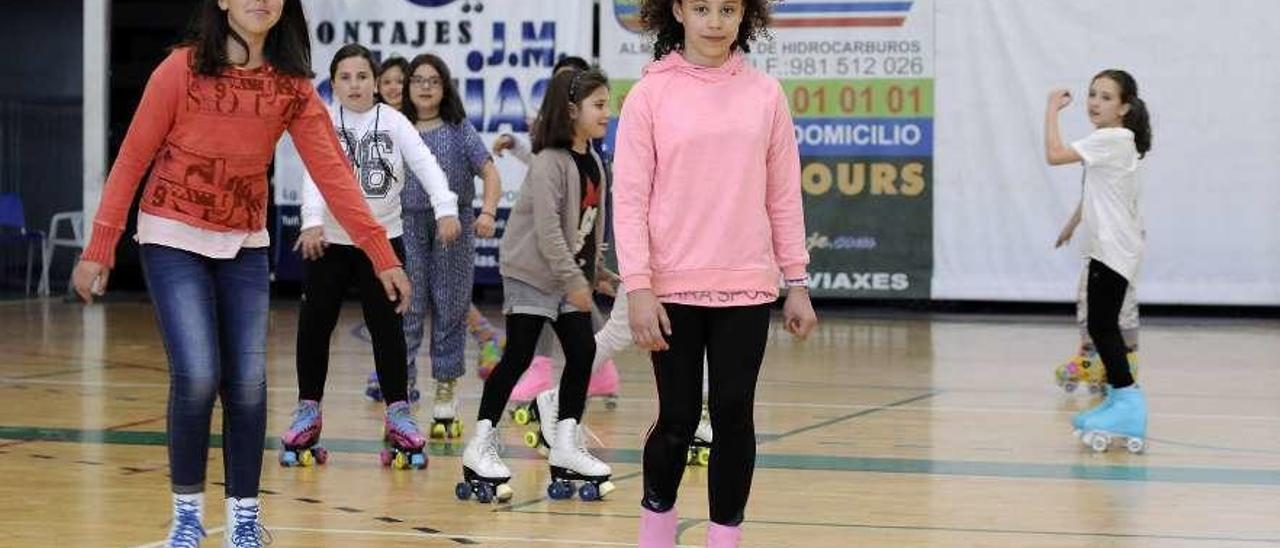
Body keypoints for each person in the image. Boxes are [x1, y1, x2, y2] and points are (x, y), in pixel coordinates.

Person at [70, 2, 411, 546]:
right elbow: (132, 158)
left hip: (245, 244)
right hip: (171, 235)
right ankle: (186, 516)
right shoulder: (179, 70)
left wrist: (381, 253)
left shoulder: (292, 86)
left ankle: (244, 519)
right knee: (200, 375)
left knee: (249, 386)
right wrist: (100, 245)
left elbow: (333, 174)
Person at [614, 1, 817, 546]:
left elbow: (783, 195)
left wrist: (796, 283)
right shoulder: (649, 94)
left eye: (728, 8)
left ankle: (724, 538)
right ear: (677, 10)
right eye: (701, 7)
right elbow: (629, 199)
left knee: (733, 416)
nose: (715, 20)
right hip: (669, 288)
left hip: (746, 286)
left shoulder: (765, 96)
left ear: (744, 14)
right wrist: (639, 287)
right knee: (676, 419)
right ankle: (656, 531)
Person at [1044, 69, 1153, 453]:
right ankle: (1119, 400)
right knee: (1101, 324)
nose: (1094, 102)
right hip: (1110, 245)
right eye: (1093, 94)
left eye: (1106, 97)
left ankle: (1127, 403)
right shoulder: (1114, 142)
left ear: (1124, 107)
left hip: (1114, 248)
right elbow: (1095, 195)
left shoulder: (1112, 138)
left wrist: (1051, 110)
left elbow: (1054, 155)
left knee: (1103, 325)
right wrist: (1073, 224)